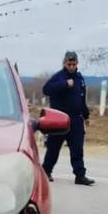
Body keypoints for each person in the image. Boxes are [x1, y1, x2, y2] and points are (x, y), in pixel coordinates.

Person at [41, 51, 95, 186]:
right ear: (64, 63)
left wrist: (86, 115)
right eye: (69, 64)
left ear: (77, 64)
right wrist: (64, 84)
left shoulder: (79, 78)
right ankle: (46, 171)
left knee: (77, 148)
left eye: (74, 64)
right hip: (59, 119)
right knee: (53, 147)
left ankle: (80, 175)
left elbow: (81, 99)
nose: (71, 66)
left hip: (76, 120)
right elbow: (46, 89)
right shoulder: (59, 77)